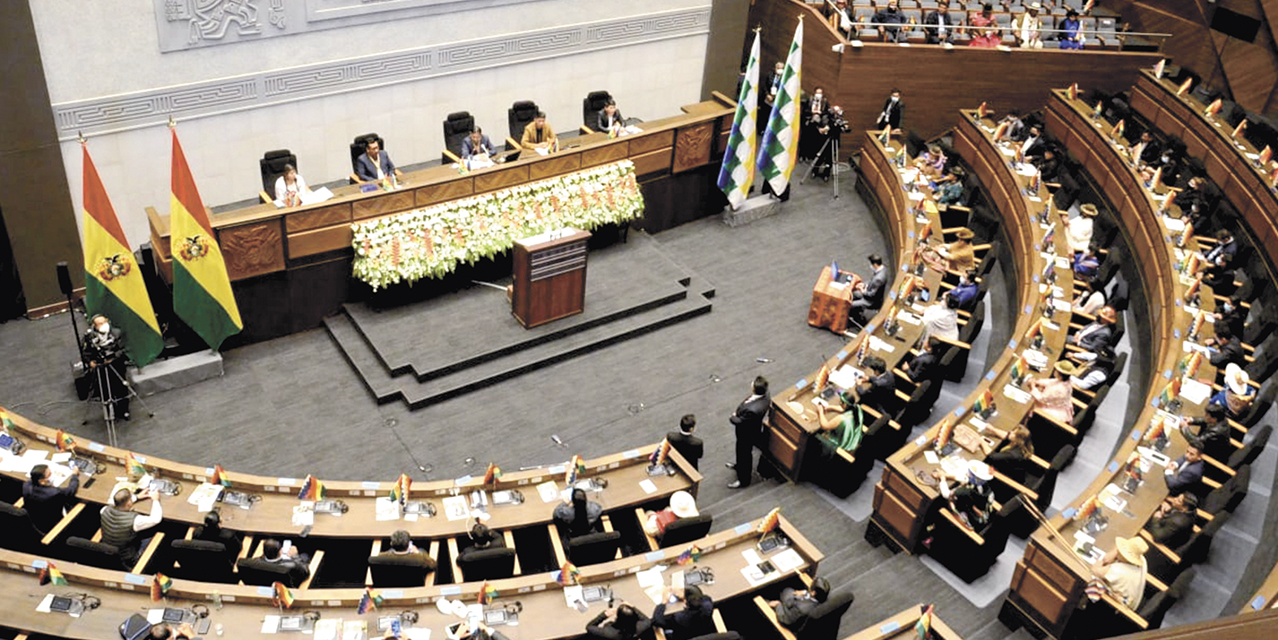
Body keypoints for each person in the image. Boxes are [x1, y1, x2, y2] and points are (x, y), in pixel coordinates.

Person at [83, 313, 130, 420]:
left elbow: (123, 349)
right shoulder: (90, 337)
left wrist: (113, 358)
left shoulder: (117, 333)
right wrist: (90, 362)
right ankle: (109, 412)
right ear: (94, 326)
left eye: (104, 322)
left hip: (116, 365)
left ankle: (124, 410)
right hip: (101, 369)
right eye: (99, 324)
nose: (102, 325)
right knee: (105, 390)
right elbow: (86, 353)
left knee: (121, 389)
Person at [100, 488, 162, 566]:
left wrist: (137, 497)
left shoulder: (104, 510)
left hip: (107, 551)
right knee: (154, 533)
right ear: (129, 503)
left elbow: (117, 504)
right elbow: (156, 519)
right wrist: (156, 500)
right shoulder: (135, 521)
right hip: (128, 558)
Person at [728, 376, 769, 489]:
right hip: (750, 430)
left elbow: (739, 421)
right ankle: (738, 466)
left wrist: (733, 417)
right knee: (740, 452)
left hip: (746, 434)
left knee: (744, 455)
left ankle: (744, 480)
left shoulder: (753, 410)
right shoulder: (764, 397)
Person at [933, 459, 995, 530]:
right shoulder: (986, 488)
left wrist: (942, 479)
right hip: (983, 517)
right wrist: (946, 475)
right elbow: (965, 479)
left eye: (970, 473)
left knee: (936, 502)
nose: (967, 473)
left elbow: (946, 494)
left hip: (971, 521)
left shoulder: (964, 492)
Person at [22, 463, 81, 535]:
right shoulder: (54, 493)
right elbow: (71, 490)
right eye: (49, 474)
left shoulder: (26, 486)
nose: (52, 475)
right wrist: (74, 475)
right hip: (51, 526)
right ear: (42, 481)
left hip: (34, 519)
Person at [1094, 536, 1148, 609]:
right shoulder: (1142, 560)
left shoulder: (1117, 570)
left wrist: (1104, 560)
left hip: (1115, 608)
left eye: (1120, 549)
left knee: (1087, 583)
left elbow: (1095, 570)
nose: (1118, 550)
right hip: (1134, 602)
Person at [815, 391, 865, 456]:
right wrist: (830, 407)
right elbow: (842, 409)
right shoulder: (857, 409)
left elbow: (825, 426)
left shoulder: (842, 418)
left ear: (846, 404)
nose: (840, 403)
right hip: (853, 439)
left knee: (815, 435)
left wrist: (820, 412)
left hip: (839, 444)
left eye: (842, 402)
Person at [1031, 360, 1077, 424]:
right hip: (1059, 406)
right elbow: (1052, 382)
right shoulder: (1066, 381)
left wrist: (1032, 387)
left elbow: (1042, 399)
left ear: (1060, 374)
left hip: (1053, 413)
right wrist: (1038, 382)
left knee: (1030, 405)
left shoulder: (1058, 389)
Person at [587, 602, 652, 640]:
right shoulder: (640, 627)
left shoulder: (608, 632)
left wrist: (604, 615)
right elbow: (647, 620)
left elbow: (589, 627)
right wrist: (633, 608)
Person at [851, 254, 888, 320]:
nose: (870, 266)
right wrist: (863, 285)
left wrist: (863, 291)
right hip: (870, 292)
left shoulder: (878, 279)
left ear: (875, 265)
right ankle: (857, 311)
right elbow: (872, 282)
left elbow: (872, 294)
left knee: (850, 304)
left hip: (871, 302)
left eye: (871, 264)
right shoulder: (883, 269)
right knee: (854, 292)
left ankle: (856, 317)